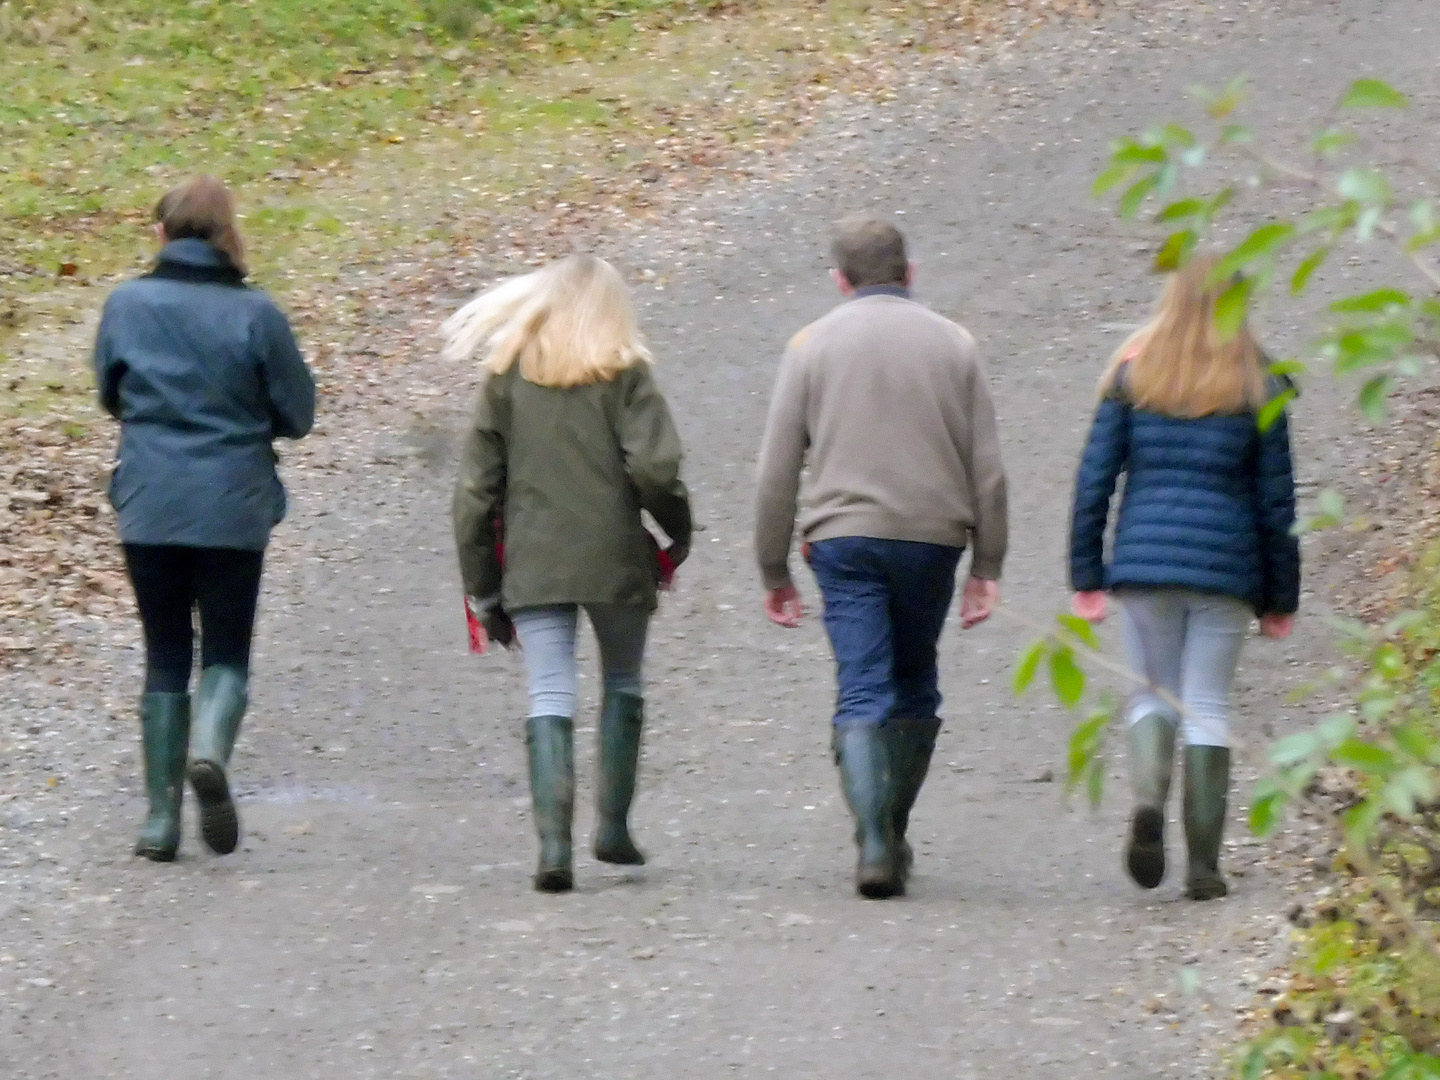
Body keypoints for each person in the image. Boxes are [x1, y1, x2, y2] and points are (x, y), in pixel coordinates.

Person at [753, 215, 1009, 899]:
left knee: (862, 683)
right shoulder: (955, 345)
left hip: (842, 541)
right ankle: (892, 830)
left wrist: (773, 568)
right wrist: (988, 564)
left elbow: (777, 471)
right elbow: (986, 468)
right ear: (910, 272)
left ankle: (873, 841)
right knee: (915, 678)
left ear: (839, 281)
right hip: (932, 538)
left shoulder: (810, 347)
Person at [448, 254, 693, 894]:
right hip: (616, 559)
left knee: (549, 692)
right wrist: (677, 529)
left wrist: (481, 586)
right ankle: (612, 826)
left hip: (534, 561)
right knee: (623, 681)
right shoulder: (627, 376)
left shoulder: (506, 380)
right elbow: (657, 472)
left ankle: (554, 846)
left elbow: (475, 492)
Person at [94, 175, 316, 862]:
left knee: (164, 652)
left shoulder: (125, 303)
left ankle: (160, 822)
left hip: (151, 499)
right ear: (229, 235)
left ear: (158, 234)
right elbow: (298, 415)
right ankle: (211, 751)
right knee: (224, 650)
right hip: (231, 502)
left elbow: (110, 393)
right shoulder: (258, 315)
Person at [1068, 254, 1300, 901]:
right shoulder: (1260, 382)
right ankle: (1203, 865)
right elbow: (1278, 505)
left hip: (1143, 567)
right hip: (1226, 574)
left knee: (1151, 694)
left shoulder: (1133, 372)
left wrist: (1087, 571)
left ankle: (1147, 801)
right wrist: (1281, 596)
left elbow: (1095, 481)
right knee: (1208, 706)